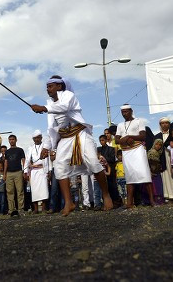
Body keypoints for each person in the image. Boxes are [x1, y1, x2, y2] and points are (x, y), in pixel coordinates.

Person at [31, 75, 113, 215]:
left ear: (59, 86)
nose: (47, 89)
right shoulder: (50, 104)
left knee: (93, 162)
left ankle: (106, 196)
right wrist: (46, 147)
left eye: (50, 86)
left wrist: (44, 108)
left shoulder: (69, 96)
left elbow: (63, 107)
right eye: (47, 87)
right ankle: (69, 203)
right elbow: (51, 128)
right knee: (59, 168)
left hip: (80, 134)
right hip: (65, 138)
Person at [115, 104, 156, 209]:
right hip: (126, 152)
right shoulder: (120, 125)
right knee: (129, 177)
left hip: (138, 149)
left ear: (131, 111)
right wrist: (125, 139)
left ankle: (152, 201)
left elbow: (143, 136)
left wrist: (129, 136)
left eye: (126, 111)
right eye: (122, 112)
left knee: (145, 174)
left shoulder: (139, 121)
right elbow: (116, 140)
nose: (124, 114)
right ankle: (129, 203)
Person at [24, 130, 49, 214]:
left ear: (41, 138)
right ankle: (35, 209)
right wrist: (25, 172)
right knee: (34, 190)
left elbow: (48, 160)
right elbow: (27, 160)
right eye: (35, 138)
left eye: (38, 138)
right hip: (34, 171)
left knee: (44, 189)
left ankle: (44, 208)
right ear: (33, 139)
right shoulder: (30, 148)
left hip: (43, 170)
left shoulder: (45, 146)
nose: (37, 139)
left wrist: (49, 171)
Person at [154, 117, 173, 202]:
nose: (164, 125)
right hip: (162, 158)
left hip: (172, 156)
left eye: (166, 123)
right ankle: (167, 196)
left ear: (169, 124)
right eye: (162, 123)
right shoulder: (157, 136)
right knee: (164, 176)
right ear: (160, 125)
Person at [3, 135, 26, 216]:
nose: (11, 141)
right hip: (9, 173)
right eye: (10, 140)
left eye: (13, 139)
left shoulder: (20, 150)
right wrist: (4, 174)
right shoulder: (7, 151)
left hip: (18, 172)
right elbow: (6, 163)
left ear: (16, 140)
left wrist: (25, 171)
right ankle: (11, 209)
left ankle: (21, 209)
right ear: (8, 141)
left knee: (20, 191)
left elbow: (23, 161)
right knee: (9, 192)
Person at [97, 134, 122, 208]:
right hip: (102, 170)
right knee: (104, 187)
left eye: (103, 140)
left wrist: (103, 158)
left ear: (106, 140)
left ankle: (116, 201)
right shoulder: (99, 149)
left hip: (110, 170)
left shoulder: (111, 149)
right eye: (100, 141)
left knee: (112, 186)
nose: (101, 142)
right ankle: (107, 202)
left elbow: (112, 159)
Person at [147, 139, 165, 205]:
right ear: (154, 144)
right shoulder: (152, 152)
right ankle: (156, 200)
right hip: (153, 173)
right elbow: (150, 163)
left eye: (160, 145)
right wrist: (151, 172)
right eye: (157, 144)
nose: (158, 146)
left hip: (156, 172)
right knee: (155, 186)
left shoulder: (158, 153)